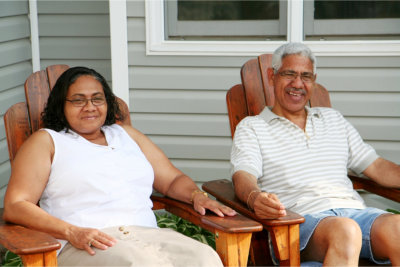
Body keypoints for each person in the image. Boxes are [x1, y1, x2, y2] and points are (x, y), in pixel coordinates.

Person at [3, 66, 236, 266]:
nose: (90, 106)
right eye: (78, 100)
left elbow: (172, 180)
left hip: (150, 236)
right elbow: (16, 204)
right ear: (60, 105)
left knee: (203, 258)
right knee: (140, 264)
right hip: (85, 244)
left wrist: (196, 195)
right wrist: (72, 232)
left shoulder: (127, 135)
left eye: (97, 98)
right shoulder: (48, 142)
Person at [230, 42, 400, 266]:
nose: (297, 84)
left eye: (306, 76)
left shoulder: (333, 119)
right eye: (289, 74)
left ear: (314, 80)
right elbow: (244, 175)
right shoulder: (252, 127)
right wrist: (255, 197)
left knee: (397, 228)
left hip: (355, 214)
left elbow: (376, 167)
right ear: (272, 76)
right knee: (346, 231)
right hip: (299, 222)